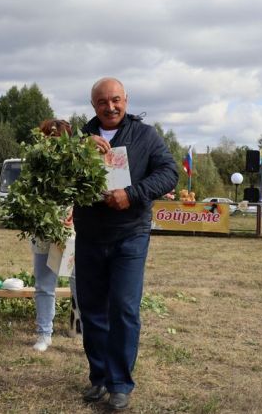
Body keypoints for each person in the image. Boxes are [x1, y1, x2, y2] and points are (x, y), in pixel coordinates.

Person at [73, 78, 178, 410]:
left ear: (126, 100)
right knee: (92, 311)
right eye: (103, 102)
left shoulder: (144, 136)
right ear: (94, 106)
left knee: (123, 308)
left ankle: (120, 384)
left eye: (116, 100)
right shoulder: (78, 138)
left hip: (129, 235)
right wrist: (77, 152)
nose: (110, 107)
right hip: (89, 236)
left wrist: (131, 194)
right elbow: (56, 175)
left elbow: (169, 173)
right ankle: (99, 377)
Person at [30, 119, 82, 353]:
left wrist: (73, 214)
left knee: (79, 283)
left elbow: (85, 195)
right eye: (48, 138)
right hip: (43, 234)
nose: (52, 143)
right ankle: (44, 334)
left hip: (70, 234)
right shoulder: (35, 167)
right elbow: (27, 197)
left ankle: (82, 330)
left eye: (57, 139)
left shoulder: (76, 165)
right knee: (44, 285)